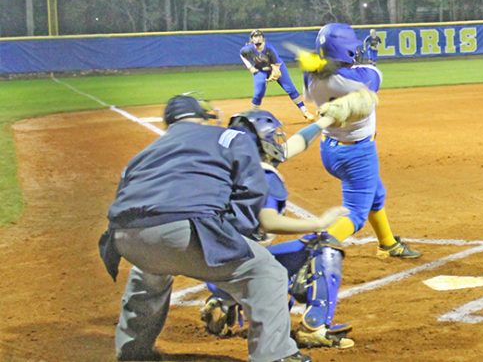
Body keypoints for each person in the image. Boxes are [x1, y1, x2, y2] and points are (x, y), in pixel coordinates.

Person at [98, 94, 310, 362]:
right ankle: (276, 356)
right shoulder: (230, 137)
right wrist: (232, 236)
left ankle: (133, 353)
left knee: (149, 274)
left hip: (125, 238)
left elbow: (122, 197)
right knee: (267, 273)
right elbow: (251, 189)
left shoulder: (142, 155)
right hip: (184, 230)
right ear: (200, 117)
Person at [199, 109, 354, 350]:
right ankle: (315, 328)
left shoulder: (223, 168)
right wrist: (319, 223)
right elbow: (268, 221)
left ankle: (223, 300)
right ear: (261, 143)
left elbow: (297, 143)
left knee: (250, 253)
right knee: (324, 245)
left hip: (211, 267)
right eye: (272, 137)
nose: (277, 141)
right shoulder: (264, 175)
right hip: (245, 270)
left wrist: (326, 120)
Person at [296, 23, 422, 259]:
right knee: (355, 214)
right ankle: (312, 252)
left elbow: (322, 72)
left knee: (375, 193)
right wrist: (370, 57)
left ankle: (388, 243)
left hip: (330, 149)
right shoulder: (361, 77)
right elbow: (373, 73)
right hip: (356, 154)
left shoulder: (310, 77)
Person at [241, 29, 314, 120]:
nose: (258, 38)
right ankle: (252, 115)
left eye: (260, 36)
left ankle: (305, 111)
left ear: (263, 39)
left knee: (290, 89)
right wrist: (250, 67)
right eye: (255, 37)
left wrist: (273, 75)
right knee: (259, 92)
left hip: (277, 67)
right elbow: (242, 54)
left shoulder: (269, 49)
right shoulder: (248, 49)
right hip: (260, 69)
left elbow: (276, 67)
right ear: (252, 39)